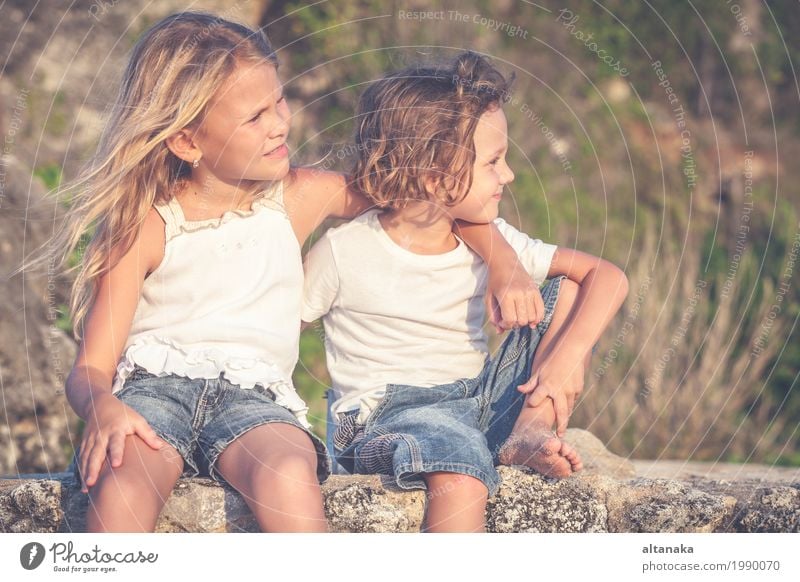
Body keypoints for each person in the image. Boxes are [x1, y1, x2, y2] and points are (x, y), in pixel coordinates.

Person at [21, 14, 540, 532]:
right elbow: (91, 368)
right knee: (124, 482)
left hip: (258, 401)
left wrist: (504, 262)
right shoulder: (148, 223)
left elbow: (423, 197)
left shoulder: (299, 195)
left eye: (279, 101)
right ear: (186, 141)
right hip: (154, 395)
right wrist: (103, 408)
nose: (279, 123)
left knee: (291, 473)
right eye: (254, 117)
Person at [302, 51, 630, 532]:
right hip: (385, 419)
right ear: (436, 178)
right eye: (494, 162)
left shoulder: (491, 238)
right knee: (458, 460)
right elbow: (281, 322)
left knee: (569, 288)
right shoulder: (344, 250)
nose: (510, 174)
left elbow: (608, 276)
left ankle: (529, 429)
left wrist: (562, 365)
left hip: (477, 401)